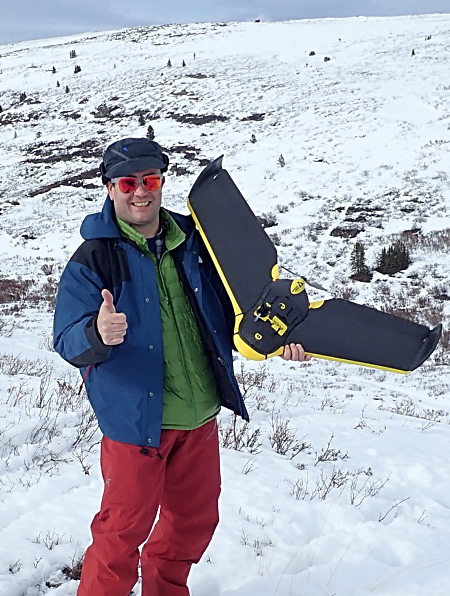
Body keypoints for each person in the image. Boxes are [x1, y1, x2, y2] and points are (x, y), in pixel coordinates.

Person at [53, 137, 310, 596]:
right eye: (127, 182)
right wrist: (96, 332)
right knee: (120, 535)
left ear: (161, 182)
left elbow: (239, 308)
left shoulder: (196, 243)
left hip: (200, 416)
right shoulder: (94, 258)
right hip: (137, 425)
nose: (139, 191)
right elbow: (66, 339)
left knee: (192, 524)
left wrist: (278, 340)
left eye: (148, 180)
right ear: (110, 188)